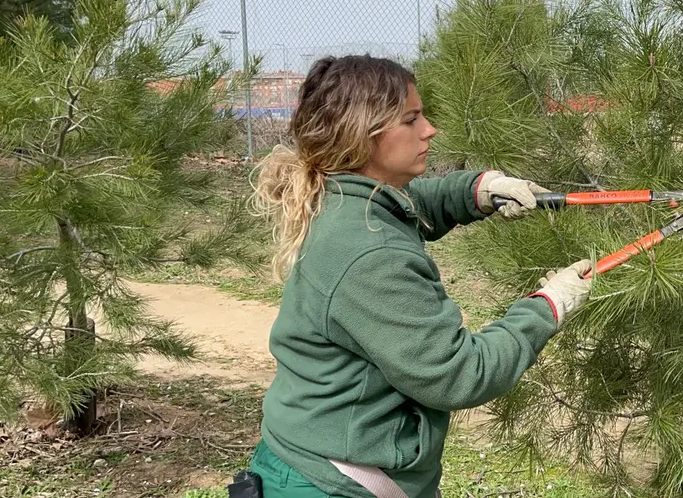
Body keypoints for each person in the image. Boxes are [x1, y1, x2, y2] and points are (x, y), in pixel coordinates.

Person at [243, 54, 592, 498]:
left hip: (316, 455)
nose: (429, 129)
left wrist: (477, 191)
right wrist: (548, 307)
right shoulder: (369, 253)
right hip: (335, 484)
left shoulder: (347, 198)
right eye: (411, 119)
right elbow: (459, 373)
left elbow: (407, 205)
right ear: (362, 135)